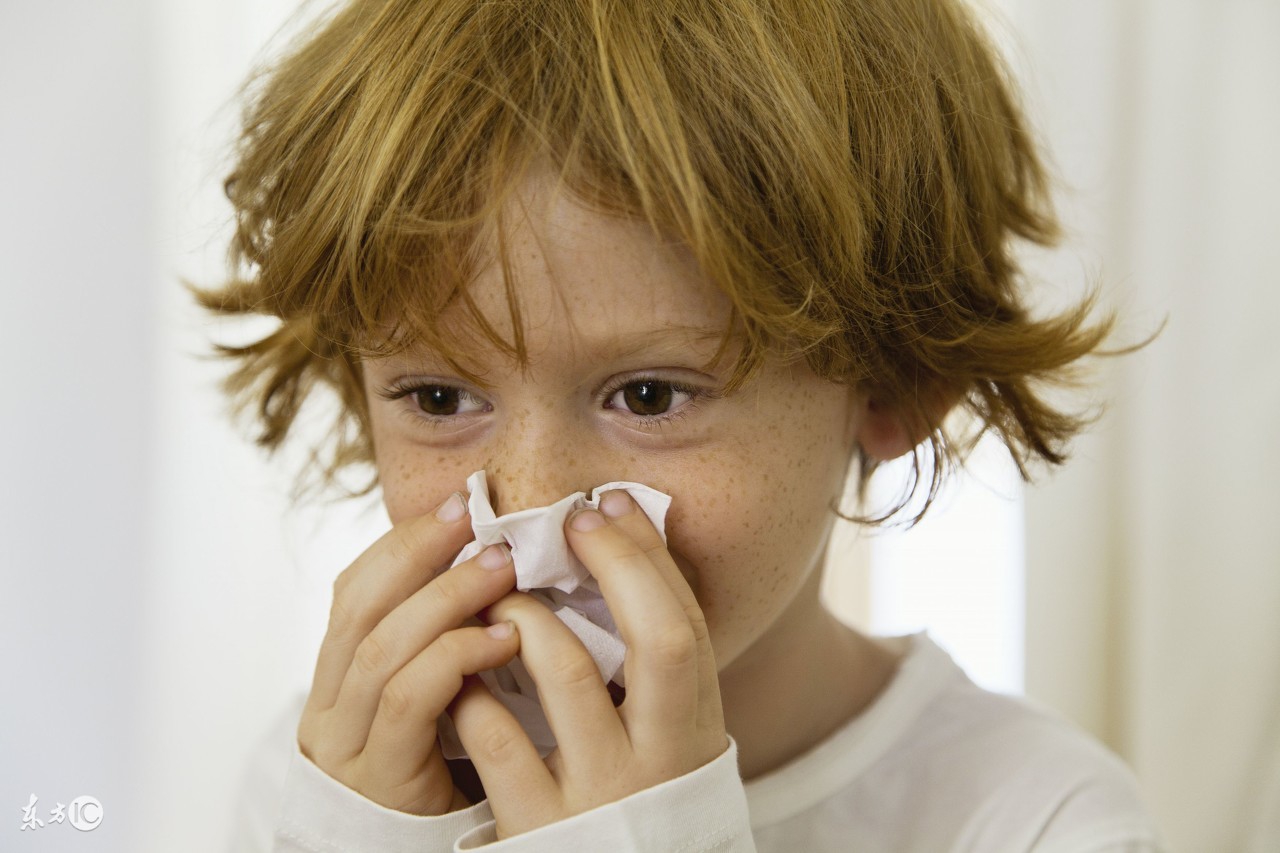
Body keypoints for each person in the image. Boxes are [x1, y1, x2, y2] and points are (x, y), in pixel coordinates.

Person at [201, 0, 1164, 849]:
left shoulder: (1036, 819)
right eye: (441, 398)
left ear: (897, 383)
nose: (527, 503)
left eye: (650, 396)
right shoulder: (339, 777)